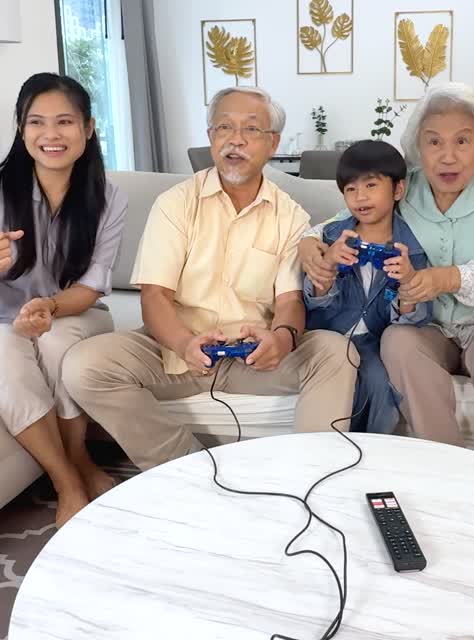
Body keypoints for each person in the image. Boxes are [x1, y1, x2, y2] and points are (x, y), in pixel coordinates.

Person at [62, 87, 356, 470]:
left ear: (273, 144)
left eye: (250, 130)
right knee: (83, 366)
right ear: (210, 137)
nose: (235, 139)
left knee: (336, 350)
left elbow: (289, 303)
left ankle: (312, 475)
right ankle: (187, 470)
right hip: (176, 351)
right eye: (224, 128)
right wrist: (185, 344)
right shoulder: (175, 203)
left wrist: (280, 340)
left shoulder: (291, 216)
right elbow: (154, 296)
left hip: (254, 358)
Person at [300, 83, 474, 461]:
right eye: (434, 142)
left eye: (462, 141)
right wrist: (308, 242)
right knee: (398, 341)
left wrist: (445, 278)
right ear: (417, 148)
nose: (448, 157)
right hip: (431, 325)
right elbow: (349, 217)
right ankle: (442, 461)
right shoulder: (405, 186)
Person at [0, 73, 128, 527]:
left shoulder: (107, 198)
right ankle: (68, 480)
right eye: (37, 122)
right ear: (20, 128)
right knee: (3, 347)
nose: (51, 135)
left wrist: (48, 307)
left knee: (55, 341)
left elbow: (89, 288)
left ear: (88, 129)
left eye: (65, 122)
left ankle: (78, 456)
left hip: (71, 313)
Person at [303, 140, 431, 434]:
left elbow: (413, 318)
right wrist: (329, 266)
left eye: (371, 185)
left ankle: (371, 453)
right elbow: (313, 305)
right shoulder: (332, 236)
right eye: (350, 189)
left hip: (373, 340)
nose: (360, 196)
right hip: (326, 334)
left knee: (377, 380)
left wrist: (408, 282)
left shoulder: (411, 248)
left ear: (398, 189)